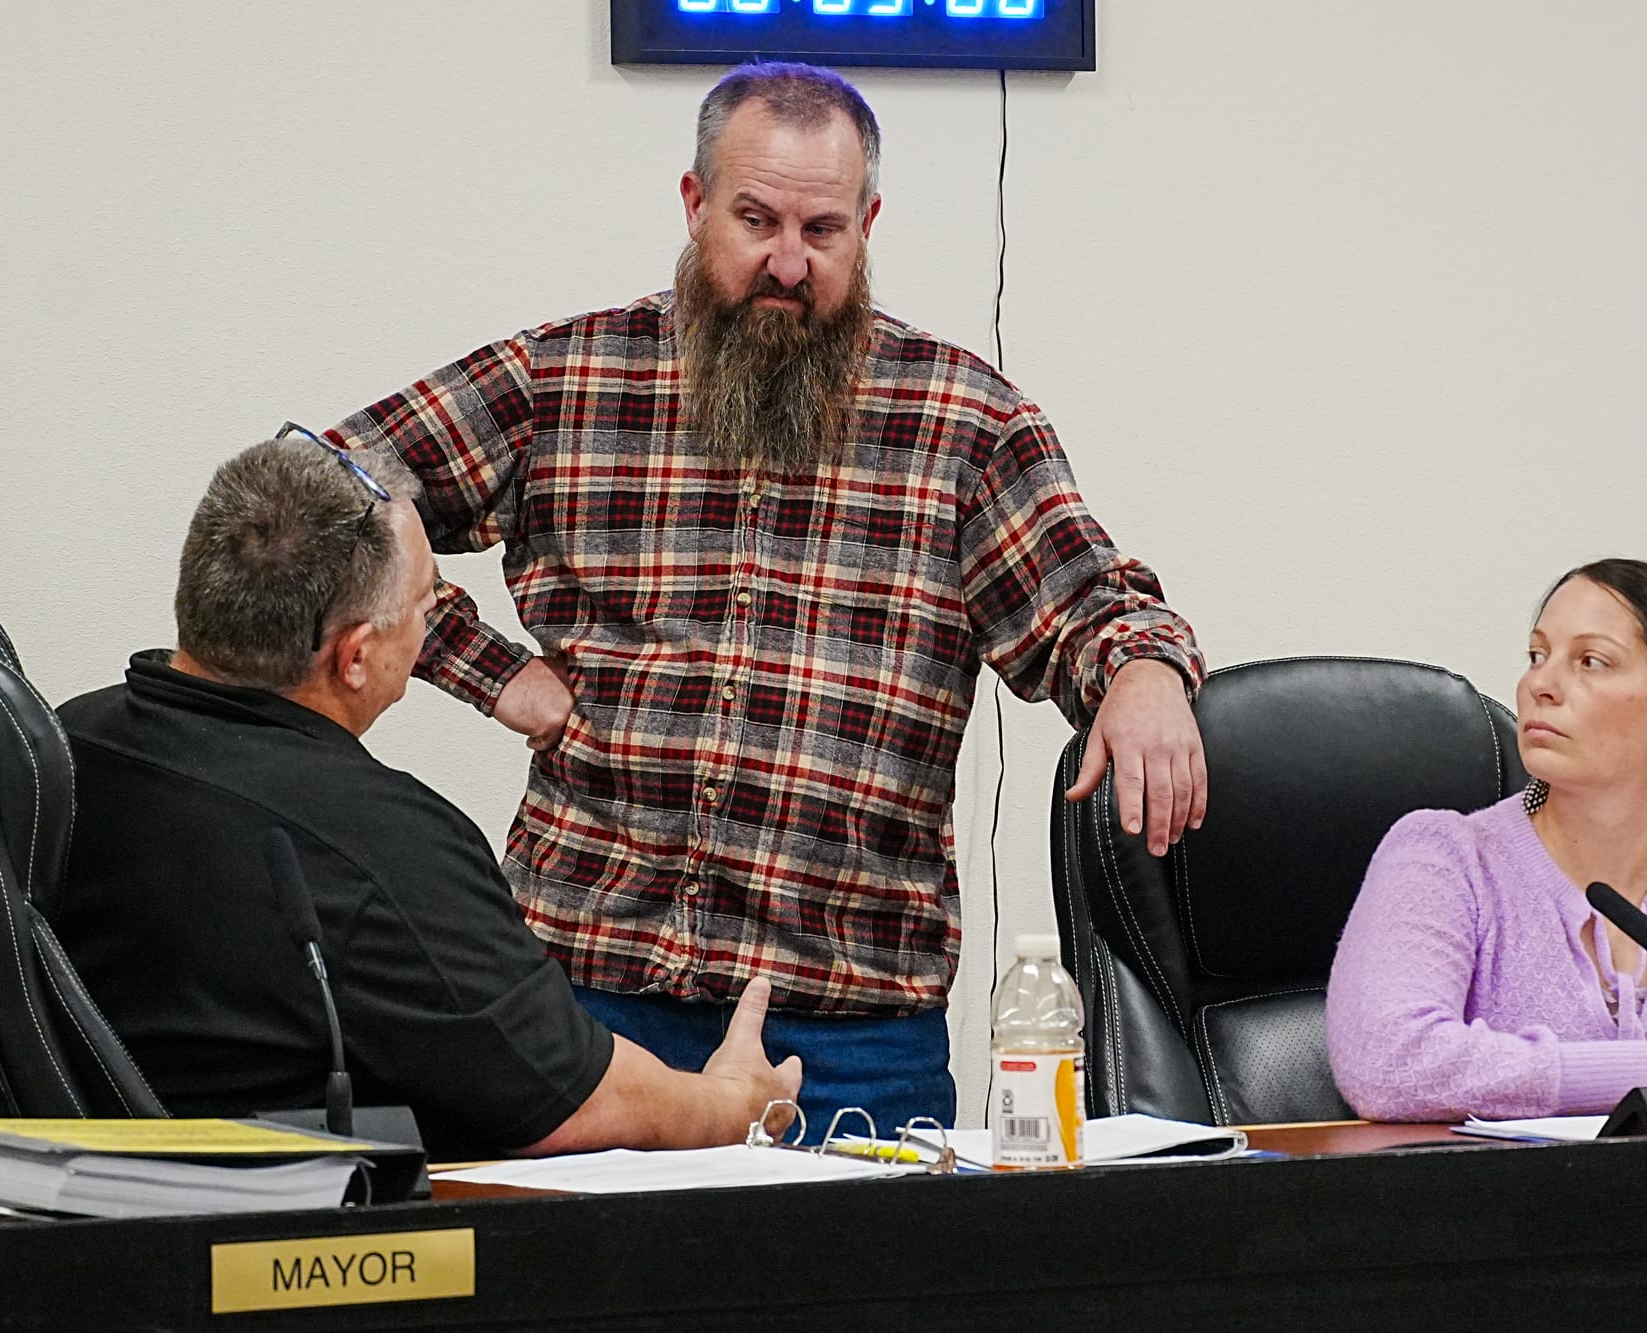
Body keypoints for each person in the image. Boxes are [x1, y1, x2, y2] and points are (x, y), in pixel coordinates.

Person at [322, 62, 1207, 1132]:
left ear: (867, 224)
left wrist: (1144, 670)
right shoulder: (568, 376)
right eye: (755, 220)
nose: (786, 262)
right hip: (588, 1000)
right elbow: (330, 492)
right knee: (582, 1301)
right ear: (695, 206)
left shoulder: (962, 422)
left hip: (851, 1028)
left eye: (822, 230)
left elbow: (1094, 605)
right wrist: (488, 670)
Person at [53, 431, 801, 1161]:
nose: (424, 628)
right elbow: (570, 1100)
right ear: (356, 657)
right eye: (421, 605)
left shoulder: (59, 745)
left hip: (86, 1218)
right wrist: (734, 1101)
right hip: (306, 1244)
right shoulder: (382, 845)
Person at [1327, 558, 1647, 1122]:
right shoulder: (1445, 857)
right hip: (1504, 1206)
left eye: (1590, 662)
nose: (1540, 684)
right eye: (1537, 655)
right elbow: (1389, 1064)